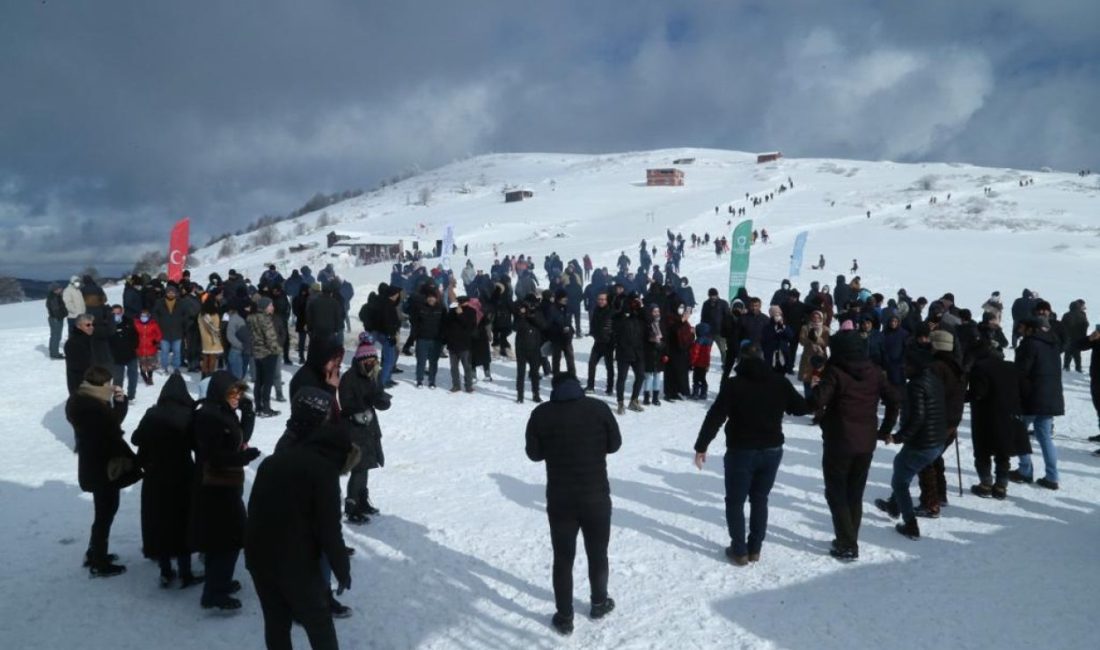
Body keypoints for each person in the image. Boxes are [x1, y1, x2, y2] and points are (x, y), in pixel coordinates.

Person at [246, 389, 353, 650]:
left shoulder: (272, 461)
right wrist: (341, 568)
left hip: (260, 558)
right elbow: (329, 528)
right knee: (319, 624)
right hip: (295, 561)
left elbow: (255, 510)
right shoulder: (323, 469)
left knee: (276, 623)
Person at [693, 344, 810, 565]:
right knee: (760, 499)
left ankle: (739, 550)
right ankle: (754, 548)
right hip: (772, 450)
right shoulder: (779, 381)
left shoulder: (734, 384)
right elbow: (801, 408)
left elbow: (715, 416)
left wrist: (701, 446)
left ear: (741, 361)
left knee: (735, 501)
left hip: (741, 451)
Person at [525, 373, 622, 636]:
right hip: (596, 497)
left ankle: (565, 616)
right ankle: (599, 603)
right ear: (578, 388)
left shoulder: (542, 414)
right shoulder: (598, 408)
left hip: (560, 499)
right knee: (598, 553)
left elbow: (534, 454)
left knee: (563, 558)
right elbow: (615, 444)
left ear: (554, 389)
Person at [813, 331, 899, 561]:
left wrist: (817, 380)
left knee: (836, 493)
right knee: (854, 492)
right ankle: (848, 538)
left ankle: (847, 543)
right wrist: (884, 430)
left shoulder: (835, 372)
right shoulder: (874, 372)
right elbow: (894, 400)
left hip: (839, 441)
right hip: (866, 442)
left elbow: (817, 401)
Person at [192, 371, 260, 610]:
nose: (237, 397)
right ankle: (215, 591)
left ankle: (218, 584)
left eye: (240, 392)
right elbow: (214, 456)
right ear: (221, 392)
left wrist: (248, 412)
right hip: (215, 486)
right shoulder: (209, 417)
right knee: (229, 539)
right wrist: (242, 457)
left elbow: (240, 437)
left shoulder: (224, 411)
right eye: (233, 392)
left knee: (224, 539)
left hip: (227, 482)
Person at [130, 373, 203, 587]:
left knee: (160, 522)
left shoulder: (152, 414)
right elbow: (197, 446)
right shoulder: (188, 415)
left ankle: (165, 570)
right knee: (182, 523)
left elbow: (136, 438)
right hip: (181, 476)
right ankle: (185, 572)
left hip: (155, 477)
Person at [67, 365, 136, 577]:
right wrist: (120, 403)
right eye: (108, 383)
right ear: (101, 385)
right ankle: (99, 562)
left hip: (93, 465)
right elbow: (113, 426)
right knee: (105, 513)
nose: (111, 386)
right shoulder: (93, 408)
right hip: (103, 468)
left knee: (103, 512)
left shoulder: (80, 400)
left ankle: (95, 552)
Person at [874, 349, 948, 540]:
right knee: (901, 466)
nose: (903, 368)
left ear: (917, 367)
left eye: (907, 365)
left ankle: (910, 525)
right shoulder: (933, 380)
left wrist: (897, 437)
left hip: (923, 444)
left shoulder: (915, 386)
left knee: (899, 481)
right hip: (936, 441)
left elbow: (918, 418)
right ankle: (893, 505)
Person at [967, 342, 1029, 499]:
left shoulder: (980, 368)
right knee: (1003, 451)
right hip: (1009, 416)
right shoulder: (1012, 367)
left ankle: (985, 484)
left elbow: (978, 393)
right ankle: (1001, 486)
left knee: (982, 451)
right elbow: (1025, 390)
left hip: (985, 417)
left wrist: (960, 396)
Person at [339, 339, 392, 524]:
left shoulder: (374, 375)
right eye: (368, 360)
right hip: (354, 429)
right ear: (361, 360)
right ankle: (351, 506)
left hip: (370, 428)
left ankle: (362, 501)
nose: (372, 363)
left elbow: (379, 397)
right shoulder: (349, 378)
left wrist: (382, 401)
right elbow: (346, 405)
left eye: (374, 360)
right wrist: (364, 402)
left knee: (367, 465)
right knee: (358, 468)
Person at [1009, 316, 1064, 489]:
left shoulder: (1029, 344)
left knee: (1019, 432)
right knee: (1045, 437)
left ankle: (1025, 470)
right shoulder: (1054, 344)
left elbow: (1021, 371)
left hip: (1032, 396)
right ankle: (1052, 476)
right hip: (1051, 396)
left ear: (1031, 329)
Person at [249, 297, 283, 418]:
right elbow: (271, 339)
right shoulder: (266, 319)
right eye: (270, 305)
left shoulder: (251, 318)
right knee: (267, 382)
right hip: (268, 354)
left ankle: (258, 406)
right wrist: (278, 350)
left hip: (256, 353)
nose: (272, 307)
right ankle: (266, 408)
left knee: (259, 380)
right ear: (265, 307)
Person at [513, 294, 546, 403]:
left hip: (535, 347)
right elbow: (515, 327)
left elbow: (543, 325)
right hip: (521, 347)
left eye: (533, 304)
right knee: (521, 372)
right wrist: (522, 315)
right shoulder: (520, 313)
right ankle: (520, 395)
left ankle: (536, 394)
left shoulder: (538, 312)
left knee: (535, 373)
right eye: (529, 304)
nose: (531, 306)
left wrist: (532, 315)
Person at [443, 295, 477, 393]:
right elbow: (447, 325)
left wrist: (461, 315)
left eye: (463, 302)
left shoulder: (471, 311)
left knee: (467, 367)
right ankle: (456, 385)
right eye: (460, 302)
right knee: (454, 368)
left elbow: (470, 326)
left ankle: (468, 386)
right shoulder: (452, 311)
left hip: (465, 344)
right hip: (452, 344)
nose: (461, 304)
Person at [585, 292, 616, 395]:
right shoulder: (596, 310)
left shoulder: (612, 311)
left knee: (609, 366)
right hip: (598, 342)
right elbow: (593, 324)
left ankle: (610, 388)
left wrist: (612, 339)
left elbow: (615, 328)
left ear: (607, 301)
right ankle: (590, 386)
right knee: (591, 363)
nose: (601, 301)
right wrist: (593, 333)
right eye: (599, 299)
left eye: (603, 299)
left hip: (608, 343)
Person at [108, 304, 139, 401]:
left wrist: (133, 346)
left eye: (119, 312)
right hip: (117, 357)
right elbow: (107, 341)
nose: (117, 315)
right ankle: (118, 396)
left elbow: (135, 335)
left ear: (122, 312)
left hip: (131, 354)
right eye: (115, 313)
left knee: (133, 376)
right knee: (118, 378)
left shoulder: (129, 321)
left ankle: (131, 395)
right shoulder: (109, 324)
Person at [152, 284, 186, 374]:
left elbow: (185, 315)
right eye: (169, 292)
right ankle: (164, 367)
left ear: (175, 293)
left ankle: (176, 367)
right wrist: (158, 324)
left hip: (177, 331)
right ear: (166, 293)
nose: (171, 294)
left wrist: (181, 322)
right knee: (164, 351)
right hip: (163, 332)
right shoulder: (159, 302)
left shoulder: (181, 303)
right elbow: (155, 314)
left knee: (177, 351)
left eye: (172, 292)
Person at [65, 314, 96, 396]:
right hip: (81, 386)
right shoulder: (74, 343)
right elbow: (79, 368)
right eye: (88, 325)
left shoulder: (88, 338)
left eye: (92, 324)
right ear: (79, 326)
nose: (91, 327)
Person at [133, 308, 163, 386]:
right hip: (140, 348)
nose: (143, 317)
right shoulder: (136, 324)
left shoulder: (154, 324)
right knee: (142, 364)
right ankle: (144, 376)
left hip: (151, 348)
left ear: (149, 316)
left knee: (150, 365)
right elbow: (132, 334)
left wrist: (156, 340)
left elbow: (159, 334)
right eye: (142, 316)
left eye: (145, 316)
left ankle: (150, 377)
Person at [198, 297, 224, 378]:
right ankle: (210, 376)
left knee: (205, 359)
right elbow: (215, 329)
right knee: (212, 359)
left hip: (204, 339)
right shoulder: (215, 315)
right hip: (213, 341)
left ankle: (204, 376)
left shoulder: (201, 315)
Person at [689, 323, 713, 400]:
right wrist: (708, 365)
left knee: (696, 378)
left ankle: (695, 393)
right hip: (705, 364)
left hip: (697, 364)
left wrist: (691, 362)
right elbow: (708, 355)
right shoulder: (709, 341)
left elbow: (695, 353)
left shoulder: (698, 341)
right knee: (703, 378)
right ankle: (704, 393)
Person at [47, 283, 68, 359]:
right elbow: (56, 310)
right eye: (59, 288)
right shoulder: (53, 298)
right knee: (56, 336)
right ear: (55, 289)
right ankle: (54, 353)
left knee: (55, 336)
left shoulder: (56, 296)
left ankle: (53, 350)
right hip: (56, 319)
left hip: (56, 318)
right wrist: (61, 315)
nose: (61, 289)